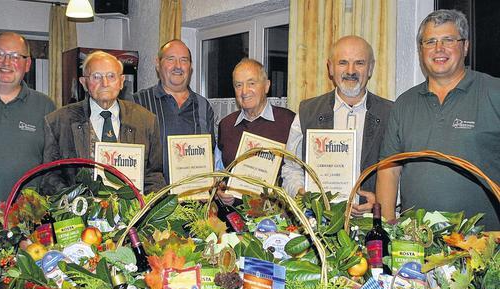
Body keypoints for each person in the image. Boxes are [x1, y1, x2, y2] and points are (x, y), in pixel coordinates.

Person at [377, 9, 500, 229]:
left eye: (448, 40)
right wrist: (387, 228)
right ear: (420, 50)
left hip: (483, 246)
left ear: (465, 46)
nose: (438, 49)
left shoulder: (494, 93)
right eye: (430, 41)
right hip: (415, 243)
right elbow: (389, 169)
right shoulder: (404, 103)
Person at [282, 36, 393, 214]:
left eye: (359, 63)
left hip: (371, 225)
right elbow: (291, 168)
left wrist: (381, 202)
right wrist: (304, 195)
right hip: (320, 224)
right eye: (342, 62)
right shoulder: (307, 112)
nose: (351, 70)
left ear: (370, 68)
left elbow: (402, 172)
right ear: (330, 68)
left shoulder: (391, 113)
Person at [0, 32, 55, 289]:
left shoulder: (45, 107)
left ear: (27, 64)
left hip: (25, 243)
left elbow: (52, 172)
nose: (6, 61)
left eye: (15, 56)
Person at [42, 51, 165, 195]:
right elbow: (50, 177)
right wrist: (77, 203)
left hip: (133, 212)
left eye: (111, 76)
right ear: (84, 83)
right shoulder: (58, 122)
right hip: (80, 213)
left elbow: (154, 175)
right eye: (96, 77)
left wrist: (145, 207)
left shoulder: (146, 121)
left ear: (121, 81)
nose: (105, 83)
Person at [130, 39, 215, 183]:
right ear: (158, 64)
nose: (178, 66)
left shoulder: (203, 106)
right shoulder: (138, 103)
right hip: (153, 200)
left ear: (190, 66)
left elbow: (210, 154)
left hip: (195, 199)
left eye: (184, 60)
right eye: (171, 59)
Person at [215, 58, 295, 204]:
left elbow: (298, 173)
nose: (244, 91)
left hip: (279, 221)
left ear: (266, 86)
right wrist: (220, 191)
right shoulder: (226, 125)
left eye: (251, 83)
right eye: (238, 85)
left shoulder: (289, 122)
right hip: (235, 220)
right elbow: (219, 174)